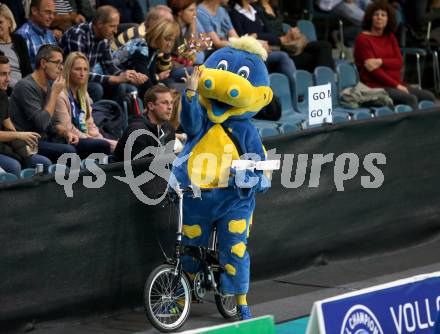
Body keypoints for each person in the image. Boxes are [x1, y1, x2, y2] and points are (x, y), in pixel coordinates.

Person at [354, 0, 436, 110]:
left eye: (383, 15)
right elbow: (374, 72)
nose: (379, 17)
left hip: (395, 84)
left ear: (388, 19)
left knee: (429, 97)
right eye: (376, 14)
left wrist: (380, 61)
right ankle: (413, 126)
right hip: (375, 86)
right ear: (370, 18)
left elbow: (399, 62)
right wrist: (396, 85)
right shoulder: (363, 39)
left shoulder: (390, 37)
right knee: (410, 99)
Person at [60, 5, 148, 103]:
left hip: (87, 78)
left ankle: (110, 115)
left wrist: (127, 76)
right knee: (96, 88)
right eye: (112, 26)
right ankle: (91, 117)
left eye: (116, 26)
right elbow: (79, 73)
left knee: (123, 87)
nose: (115, 31)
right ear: (99, 24)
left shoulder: (104, 39)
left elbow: (110, 67)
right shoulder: (78, 35)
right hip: (69, 80)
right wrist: (113, 79)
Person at [9, 44, 78, 163]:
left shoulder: (50, 86)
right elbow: (41, 123)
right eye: (57, 62)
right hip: (29, 143)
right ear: (43, 63)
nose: (61, 68)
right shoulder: (25, 86)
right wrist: (55, 94)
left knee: (94, 145)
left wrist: (66, 132)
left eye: (62, 63)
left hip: (47, 138)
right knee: (69, 152)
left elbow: (53, 123)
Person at [52, 52, 114, 158]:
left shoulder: (83, 93)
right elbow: (68, 128)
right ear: (68, 71)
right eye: (77, 69)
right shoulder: (60, 94)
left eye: (85, 69)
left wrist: (101, 138)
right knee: (104, 145)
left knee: (115, 144)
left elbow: (89, 124)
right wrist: (96, 140)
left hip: (85, 137)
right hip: (69, 140)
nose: (82, 73)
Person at [0, 53, 51, 176]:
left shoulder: (2, 96)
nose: (8, 79)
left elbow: (8, 126)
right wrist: (19, 135)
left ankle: (38, 195)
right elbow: (14, 133)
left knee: (44, 162)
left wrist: (23, 147)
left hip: (5, 147)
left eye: (9, 74)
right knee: (14, 166)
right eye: (2, 74)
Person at [254, 0, 335, 72]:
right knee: (324, 53)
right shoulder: (256, 10)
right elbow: (262, 34)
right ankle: (326, 83)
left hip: (290, 44)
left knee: (324, 49)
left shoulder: (274, 6)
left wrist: (292, 32)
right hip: (282, 49)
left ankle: (325, 83)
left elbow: (281, 28)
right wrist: (283, 38)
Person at [113, 18, 180, 98]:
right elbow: (144, 80)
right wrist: (161, 95)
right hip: (110, 75)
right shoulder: (141, 45)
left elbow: (150, 75)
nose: (169, 44)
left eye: (172, 41)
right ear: (157, 35)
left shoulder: (154, 49)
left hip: (125, 77)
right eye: (167, 39)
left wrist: (162, 90)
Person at [113, 84, 175, 161]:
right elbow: (138, 170)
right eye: (164, 102)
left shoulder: (169, 129)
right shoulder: (137, 131)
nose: (170, 107)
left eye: (171, 102)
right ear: (151, 106)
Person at [15, 0, 58, 69]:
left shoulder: (50, 34)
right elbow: (24, 71)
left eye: (54, 13)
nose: (52, 17)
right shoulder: (22, 35)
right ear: (34, 10)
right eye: (48, 12)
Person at [0, 4, 33, 90]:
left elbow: (27, 69)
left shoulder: (19, 40)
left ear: (10, 22)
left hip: (24, 87)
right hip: (5, 90)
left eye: (0, 22)